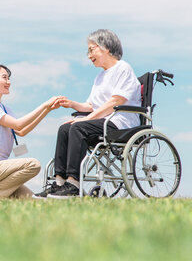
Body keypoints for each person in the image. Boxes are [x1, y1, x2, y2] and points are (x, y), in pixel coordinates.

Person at [34, 29, 141, 199]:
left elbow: (116, 101)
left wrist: (88, 119)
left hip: (121, 122)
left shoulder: (123, 68)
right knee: (65, 128)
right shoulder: (100, 76)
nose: (89, 55)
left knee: (78, 127)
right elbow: (91, 105)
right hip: (102, 121)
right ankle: (59, 182)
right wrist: (71, 104)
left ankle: (73, 183)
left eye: (91, 49)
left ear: (105, 48)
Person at [0, 64, 63, 200]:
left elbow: (21, 130)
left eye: (9, 78)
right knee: (33, 165)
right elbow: (18, 123)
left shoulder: (6, 109)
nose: (8, 82)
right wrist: (44, 105)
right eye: (4, 78)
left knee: (35, 201)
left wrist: (47, 110)